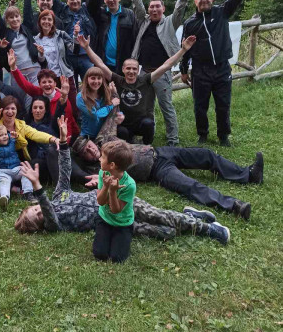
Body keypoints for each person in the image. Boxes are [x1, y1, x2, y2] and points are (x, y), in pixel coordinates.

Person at [15, 117, 231, 246]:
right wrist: (38, 189)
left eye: (34, 210)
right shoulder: (55, 224)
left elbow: (64, 170)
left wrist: (63, 142)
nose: (40, 211)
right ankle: (190, 216)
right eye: (37, 217)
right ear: (40, 225)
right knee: (165, 232)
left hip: (118, 200)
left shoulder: (59, 196)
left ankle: (208, 229)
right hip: (112, 221)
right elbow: (48, 210)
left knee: (160, 216)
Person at [75, 111, 264, 220]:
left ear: (92, 141)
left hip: (161, 151)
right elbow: (79, 173)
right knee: (190, 186)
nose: (91, 150)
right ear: (84, 157)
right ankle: (234, 206)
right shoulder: (99, 170)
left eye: (89, 146)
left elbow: (111, 117)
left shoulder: (104, 139)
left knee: (206, 155)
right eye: (86, 152)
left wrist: (114, 94)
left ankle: (249, 175)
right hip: (157, 170)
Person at [180, 0, 257, 146]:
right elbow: (185, 48)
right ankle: (203, 135)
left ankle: (223, 136)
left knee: (223, 104)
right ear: (196, 1)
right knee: (200, 106)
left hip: (222, 68)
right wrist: (183, 70)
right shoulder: (190, 23)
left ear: (212, 0)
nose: (204, 0)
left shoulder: (222, 12)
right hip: (200, 70)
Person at [76, 34, 197, 144]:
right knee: (122, 133)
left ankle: (147, 146)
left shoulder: (145, 80)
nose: (131, 71)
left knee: (148, 124)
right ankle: (129, 143)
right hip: (123, 124)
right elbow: (100, 64)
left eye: (134, 69)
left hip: (141, 123)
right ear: (123, 69)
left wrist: (183, 50)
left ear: (138, 70)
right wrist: (87, 48)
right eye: (128, 68)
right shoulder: (118, 80)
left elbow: (166, 65)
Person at [129, 0, 199, 145]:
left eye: (157, 7)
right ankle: (148, 137)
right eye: (151, 7)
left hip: (162, 72)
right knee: (146, 107)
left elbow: (180, 8)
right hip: (144, 72)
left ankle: (173, 140)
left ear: (163, 8)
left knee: (166, 107)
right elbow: (137, 5)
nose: (154, 10)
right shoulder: (144, 21)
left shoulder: (170, 22)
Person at [32, 0, 118, 84]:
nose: (75, 1)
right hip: (67, 57)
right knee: (69, 87)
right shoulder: (62, 10)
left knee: (91, 85)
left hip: (87, 56)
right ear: (67, 1)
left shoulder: (87, 9)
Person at [21, 0, 79, 111]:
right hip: (44, 74)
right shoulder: (33, 27)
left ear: (52, 3)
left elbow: (69, 48)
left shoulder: (59, 26)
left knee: (70, 104)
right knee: (49, 105)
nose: (45, 2)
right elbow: (26, 11)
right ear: (38, 2)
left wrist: (76, 38)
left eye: (48, 0)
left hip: (62, 72)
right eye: (43, 0)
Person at [7, 49, 79, 138]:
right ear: (39, 84)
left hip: (60, 134)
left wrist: (64, 142)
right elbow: (24, 84)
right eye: (44, 82)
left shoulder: (63, 99)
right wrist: (13, 68)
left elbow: (68, 122)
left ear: (55, 84)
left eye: (50, 82)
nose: (47, 84)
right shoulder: (38, 92)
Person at [87, 0, 138, 74]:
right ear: (104, 0)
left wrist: (134, 61)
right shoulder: (100, 14)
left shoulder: (129, 15)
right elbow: (91, 4)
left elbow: (135, 39)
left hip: (124, 66)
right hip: (103, 64)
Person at [92, 140, 136, 263]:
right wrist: (106, 186)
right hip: (104, 219)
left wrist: (112, 191)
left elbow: (115, 210)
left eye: (102, 157)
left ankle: (124, 235)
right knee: (100, 254)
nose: (99, 159)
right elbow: (100, 201)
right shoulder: (103, 173)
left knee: (118, 258)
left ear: (112, 165)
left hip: (123, 224)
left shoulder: (129, 185)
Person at [0, 123, 37, 210]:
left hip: (16, 168)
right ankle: (4, 198)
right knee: (4, 182)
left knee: (26, 172)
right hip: (3, 171)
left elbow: (24, 143)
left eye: (5, 134)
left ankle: (28, 193)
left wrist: (17, 137)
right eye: (0, 135)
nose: (4, 136)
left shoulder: (11, 141)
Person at [76, 67, 119, 138]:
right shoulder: (81, 97)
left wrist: (114, 93)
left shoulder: (106, 93)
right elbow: (95, 115)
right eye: (93, 78)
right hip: (88, 136)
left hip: (105, 133)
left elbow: (117, 105)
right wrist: (111, 105)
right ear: (87, 79)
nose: (96, 81)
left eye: (99, 78)